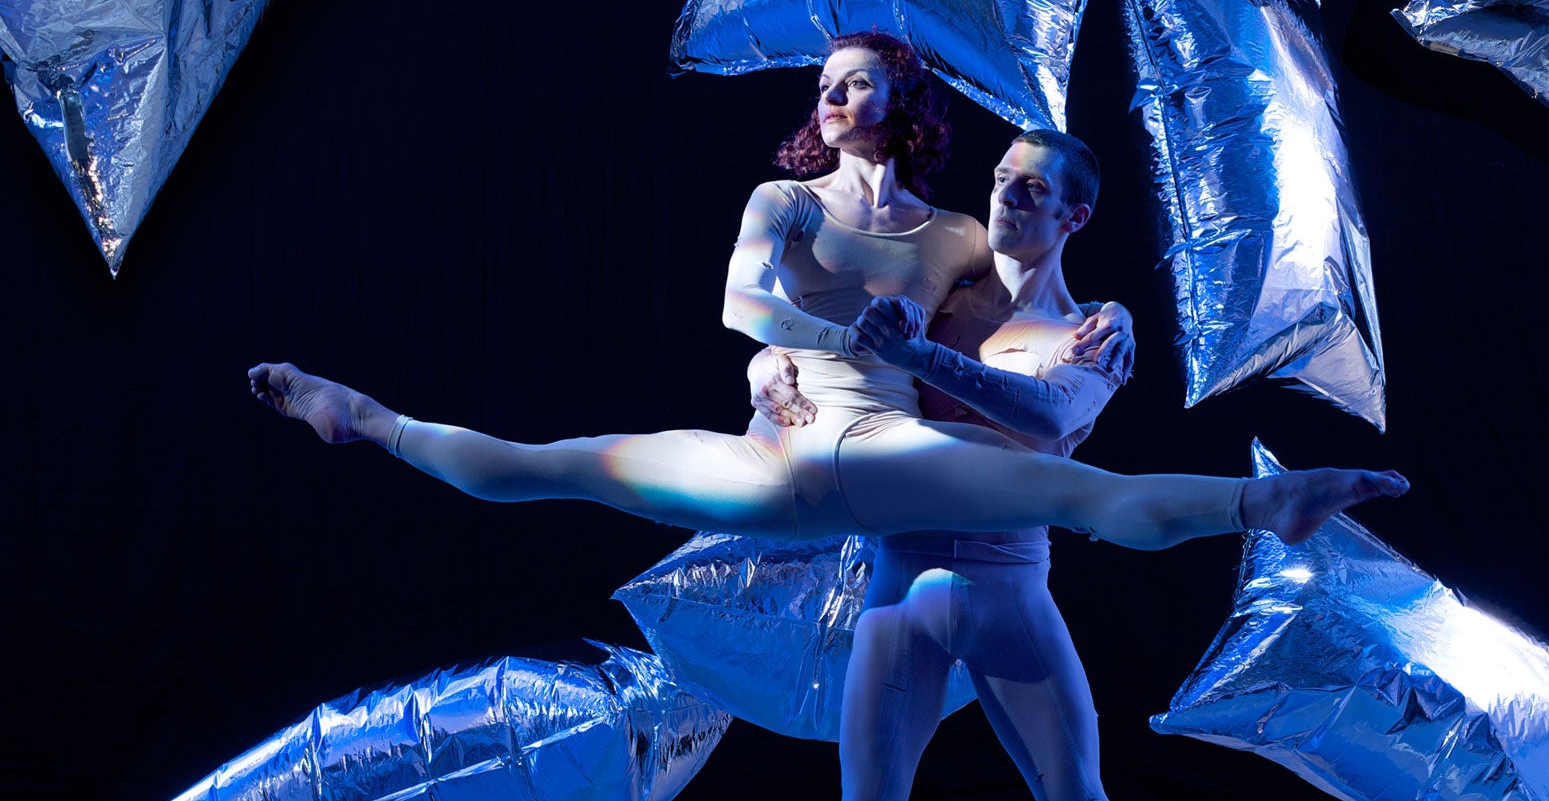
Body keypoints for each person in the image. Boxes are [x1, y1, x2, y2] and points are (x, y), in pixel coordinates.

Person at [249, 32, 1405, 554]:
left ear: (898, 104)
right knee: (549, 466)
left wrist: (1102, 321)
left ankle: (1265, 505)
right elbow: (744, 310)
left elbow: (1011, 324)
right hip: (774, 457)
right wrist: (782, 350)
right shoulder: (784, 200)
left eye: (851, 85)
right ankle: (366, 418)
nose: (829, 102)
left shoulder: (955, 231)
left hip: (872, 450)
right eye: (821, 88)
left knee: (1077, 497)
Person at [738, 130, 1243, 801]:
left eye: (1033, 190)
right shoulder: (927, 289)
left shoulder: (1093, 325)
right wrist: (773, 373)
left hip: (1009, 589)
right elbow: (807, 360)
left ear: (1073, 216)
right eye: (1002, 181)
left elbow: (1052, 424)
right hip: (899, 580)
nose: (1007, 198)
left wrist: (914, 359)